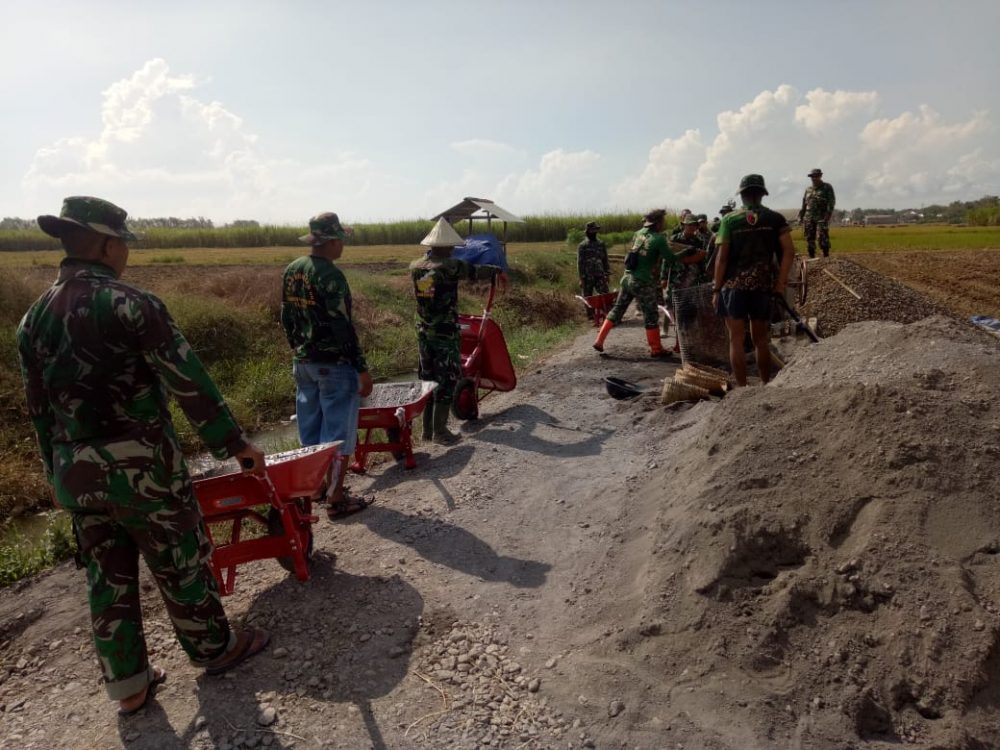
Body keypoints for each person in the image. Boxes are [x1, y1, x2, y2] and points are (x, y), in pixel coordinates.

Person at [16, 196, 270, 716]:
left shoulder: (32, 319)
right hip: (142, 469)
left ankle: (128, 685)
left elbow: (38, 409)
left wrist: (54, 473)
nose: (125, 254)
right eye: (123, 244)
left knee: (106, 576)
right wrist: (234, 443)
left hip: (75, 472)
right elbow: (188, 382)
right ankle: (215, 650)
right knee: (179, 559)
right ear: (108, 245)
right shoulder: (132, 303)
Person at [281, 212, 374, 518]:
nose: (342, 247)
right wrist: (360, 367)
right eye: (341, 241)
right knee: (338, 435)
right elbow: (342, 327)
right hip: (334, 365)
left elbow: (286, 317)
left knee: (310, 430)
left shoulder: (293, 270)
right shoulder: (331, 276)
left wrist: (299, 348)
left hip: (304, 363)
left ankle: (316, 487)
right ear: (332, 241)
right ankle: (336, 497)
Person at [409, 218, 506, 444]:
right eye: (451, 246)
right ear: (445, 246)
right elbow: (475, 271)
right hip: (444, 333)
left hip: (423, 331)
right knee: (447, 378)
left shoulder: (415, 267)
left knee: (428, 378)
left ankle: (427, 431)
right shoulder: (449, 266)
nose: (454, 249)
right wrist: (497, 270)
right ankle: (441, 431)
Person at [712, 175, 794, 386]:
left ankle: (742, 389)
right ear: (761, 194)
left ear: (742, 195)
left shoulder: (729, 220)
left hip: (733, 287)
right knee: (761, 340)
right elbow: (788, 252)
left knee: (736, 340)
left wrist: (716, 288)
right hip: (762, 286)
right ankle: (766, 384)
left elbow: (721, 258)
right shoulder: (775, 219)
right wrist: (780, 283)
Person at [593, 209, 675, 358]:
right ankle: (656, 349)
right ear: (658, 223)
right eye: (663, 221)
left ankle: (599, 340)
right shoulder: (659, 238)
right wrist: (685, 254)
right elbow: (670, 259)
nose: (664, 224)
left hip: (627, 279)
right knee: (650, 313)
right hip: (642, 281)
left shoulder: (638, 233)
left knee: (617, 310)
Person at [798, 168, 836, 258]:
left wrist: (828, 215)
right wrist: (801, 216)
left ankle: (825, 256)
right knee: (809, 237)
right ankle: (811, 256)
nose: (814, 178)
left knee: (822, 236)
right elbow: (804, 204)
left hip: (821, 217)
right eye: (812, 176)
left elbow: (831, 202)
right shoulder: (808, 189)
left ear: (820, 176)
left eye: (816, 176)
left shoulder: (827, 187)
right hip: (809, 217)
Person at [577, 220, 610, 316]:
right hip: (587, 276)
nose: (594, 232)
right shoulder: (582, 246)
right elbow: (580, 263)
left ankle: (607, 314)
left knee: (605, 294)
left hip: (600, 275)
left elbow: (605, 260)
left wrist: (607, 274)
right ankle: (591, 316)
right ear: (587, 231)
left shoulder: (601, 244)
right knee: (587, 297)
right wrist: (581, 278)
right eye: (592, 230)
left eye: (595, 230)